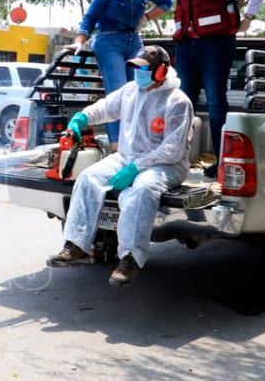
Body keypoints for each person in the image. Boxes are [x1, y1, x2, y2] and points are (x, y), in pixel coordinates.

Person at [46, 46, 194, 287]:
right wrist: (83, 117)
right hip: (127, 157)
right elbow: (105, 108)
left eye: (143, 69)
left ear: (161, 71)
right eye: (136, 68)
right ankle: (76, 245)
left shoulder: (177, 101)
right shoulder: (131, 90)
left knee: (141, 190)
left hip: (166, 164)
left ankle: (130, 259)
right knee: (88, 178)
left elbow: (172, 149)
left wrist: (136, 168)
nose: (138, 73)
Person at [169, 0, 265, 178]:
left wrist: (249, 16)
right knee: (182, 102)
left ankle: (222, 161)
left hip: (216, 42)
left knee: (215, 101)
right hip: (185, 43)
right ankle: (175, 159)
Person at [70, 0, 174, 149]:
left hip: (134, 40)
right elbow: (91, 16)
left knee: (142, 87)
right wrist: (79, 40)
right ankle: (116, 145)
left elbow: (166, 2)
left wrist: (146, 17)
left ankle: (137, 141)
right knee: (118, 90)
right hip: (108, 40)